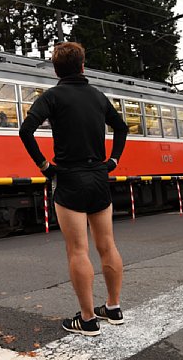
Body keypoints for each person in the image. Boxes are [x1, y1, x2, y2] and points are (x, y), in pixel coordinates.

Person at [19, 42, 128, 336]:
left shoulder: (51, 97)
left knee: (78, 250)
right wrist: (113, 160)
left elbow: (25, 130)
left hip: (68, 178)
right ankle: (114, 307)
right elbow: (121, 127)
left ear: (56, 70)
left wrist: (44, 166)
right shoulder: (98, 96)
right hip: (98, 177)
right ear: (83, 66)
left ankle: (88, 318)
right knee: (107, 246)